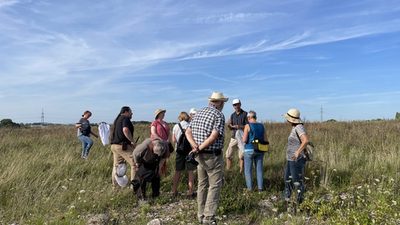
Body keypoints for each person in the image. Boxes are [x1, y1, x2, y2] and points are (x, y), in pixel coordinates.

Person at [185, 91, 228, 225]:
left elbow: (188, 131)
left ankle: (200, 214)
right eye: (223, 102)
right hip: (212, 155)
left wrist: (195, 148)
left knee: (202, 184)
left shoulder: (199, 112)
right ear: (220, 102)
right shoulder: (219, 115)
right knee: (214, 185)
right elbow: (214, 136)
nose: (223, 105)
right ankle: (208, 218)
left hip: (198, 155)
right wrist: (199, 148)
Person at [283, 108, 309, 205]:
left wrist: (298, 152)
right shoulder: (295, 127)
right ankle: (288, 199)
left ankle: (299, 201)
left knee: (296, 180)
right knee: (287, 179)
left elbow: (305, 140)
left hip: (297, 159)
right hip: (291, 159)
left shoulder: (298, 127)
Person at [171, 112, 197, 198]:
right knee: (190, 171)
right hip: (189, 151)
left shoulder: (176, 126)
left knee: (178, 171)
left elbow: (174, 140)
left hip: (179, 151)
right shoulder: (190, 125)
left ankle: (174, 191)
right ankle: (190, 192)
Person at [110, 106, 136, 187]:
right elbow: (125, 130)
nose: (132, 113)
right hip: (122, 146)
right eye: (131, 111)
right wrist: (132, 141)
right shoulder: (125, 118)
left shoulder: (117, 120)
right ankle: (134, 187)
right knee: (135, 164)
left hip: (114, 146)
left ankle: (115, 186)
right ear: (126, 112)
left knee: (116, 166)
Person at [242, 111, 268, 191]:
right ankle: (260, 189)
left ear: (249, 118)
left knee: (248, 171)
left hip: (249, 149)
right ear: (255, 117)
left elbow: (244, 140)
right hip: (260, 149)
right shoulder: (262, 126)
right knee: (259, 170)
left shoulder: (247, 125)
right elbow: (265, 139)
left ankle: (250, 189)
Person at [226, 99, 248, 172]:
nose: (236, 106)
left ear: (240, 104)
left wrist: (240, 126)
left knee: (241, 156)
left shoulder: (245, 114)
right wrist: (229, 125)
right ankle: (228, 170)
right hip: (234, 137)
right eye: (234, 105)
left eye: (237, 104)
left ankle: (241, 172)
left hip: (242, 137)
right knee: (228, 155)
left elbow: (248, 126)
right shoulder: (232, 115)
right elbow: (230, 128)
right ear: (233, 106)